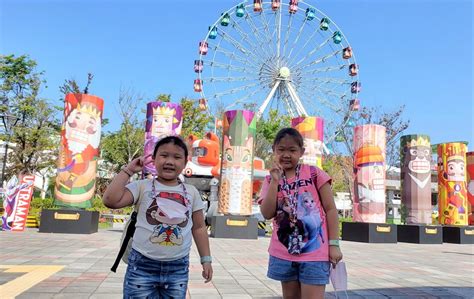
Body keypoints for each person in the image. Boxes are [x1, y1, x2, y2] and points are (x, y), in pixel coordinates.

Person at [103, 135, 213, 299]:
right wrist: (129, 170)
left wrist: (206, 259)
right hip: (142, 264)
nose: (170, 161)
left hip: (178, 267)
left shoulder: (192, 192)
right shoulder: (142, 187)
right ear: (153, 159)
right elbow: (110, 201)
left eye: (177, 157)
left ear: (185, 162)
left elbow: (199, 228)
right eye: (164, 155)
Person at [259, 128, 343, 299]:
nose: (286, 155)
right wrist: (275, 182)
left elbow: (331, 210)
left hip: (315, 253)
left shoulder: (314, 174)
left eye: (292, 150)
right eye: (281, 150)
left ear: (301, 152)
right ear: (274, 150)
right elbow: (267, 213)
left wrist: (334, 244)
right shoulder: (270, 179)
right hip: (283, 252)